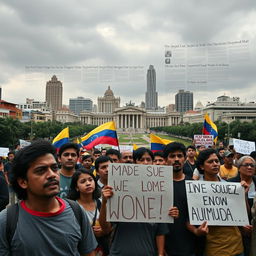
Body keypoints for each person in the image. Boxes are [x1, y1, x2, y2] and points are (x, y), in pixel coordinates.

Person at [0, 140, 97, 255]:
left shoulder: (76, 210)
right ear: (23, 182)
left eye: (54, 168)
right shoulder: (6, 221)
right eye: (41, 170)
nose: (52, 174)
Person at [99, 147, 178, 256]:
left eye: (148, 159)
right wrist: (104, 202)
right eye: (141, 159)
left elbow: (160, 230)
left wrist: (160, 254)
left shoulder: (159, 191)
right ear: (135, 162)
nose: (145, 163)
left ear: (152, 162)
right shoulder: (119, 188)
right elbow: (106, 228)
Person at [196, 148, 244, 256]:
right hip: (213, 248)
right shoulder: (195, 189)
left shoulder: (229, 187)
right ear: (201, 166)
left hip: (236, 245)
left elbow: (241, 214)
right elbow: (189, 219)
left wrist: (243, 195)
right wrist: (196, 231)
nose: (215, 164)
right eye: (210, 162)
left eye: (217, 161)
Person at [163, 142, 207, 256]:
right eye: (172, 156)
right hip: (164, 245)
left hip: (188, 246)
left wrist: (197, 231)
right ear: (165, 160)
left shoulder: (194, 185)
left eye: (179, 156)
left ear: (184, 158)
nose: (176, 159)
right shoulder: (158, 185)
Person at [68, 169, 109, 255]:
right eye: (83, 181)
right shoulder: (72, 207)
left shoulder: (102, 202)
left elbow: (110, 228)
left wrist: (103, 231)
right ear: (76, 187)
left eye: (90, 180)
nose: (88, 183)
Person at [228, 156, 255, 256]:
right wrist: (241, 226)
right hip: (238, 230)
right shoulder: (230, 183)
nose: (249, 167)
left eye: (252, 165)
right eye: (246, 165)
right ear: (239, 168)